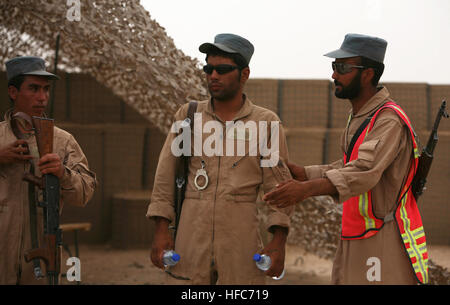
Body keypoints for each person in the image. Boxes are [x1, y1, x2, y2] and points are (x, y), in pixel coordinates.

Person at [263, 33, 429, 284]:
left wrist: (306, 189)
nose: (334, 75)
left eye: (342, 67)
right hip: (357, 232)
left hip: (381, 237)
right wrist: (306, 173)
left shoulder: (388, 119)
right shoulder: (361, 116)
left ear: (368, 74)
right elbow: (348, 164)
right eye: (334, 67)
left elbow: (364, 171)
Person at [147, 33, 294, 284]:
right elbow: (165, 176)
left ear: (244, 74)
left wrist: (278, 241)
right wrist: (161, 230)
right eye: (209, 68)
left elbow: (278, 189)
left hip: (240, 239)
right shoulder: (189, 116)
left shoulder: (266, 123)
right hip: (191, 237)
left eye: (223, 69)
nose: (213, 75)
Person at [0, 56, 97, 284]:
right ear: (13, 92)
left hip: (41, 256)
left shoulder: (62, 141)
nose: (42, 97)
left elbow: (85, 193)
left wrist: (63, 174)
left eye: (46, 89)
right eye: (33, 89)